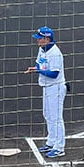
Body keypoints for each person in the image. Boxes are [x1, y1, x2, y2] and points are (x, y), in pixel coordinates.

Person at [24, 26, 67, 158]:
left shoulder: (55, 53)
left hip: (56, 88)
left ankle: (59, 147)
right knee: (47, 115)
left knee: (56, 118)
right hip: (47, 87)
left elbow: (54, 74)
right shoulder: (42, 49)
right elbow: (39, 64)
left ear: (47, 39)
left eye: (40, 39)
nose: (37, 41)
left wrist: (38, 71)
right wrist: (35, 68)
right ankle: (51, 141)